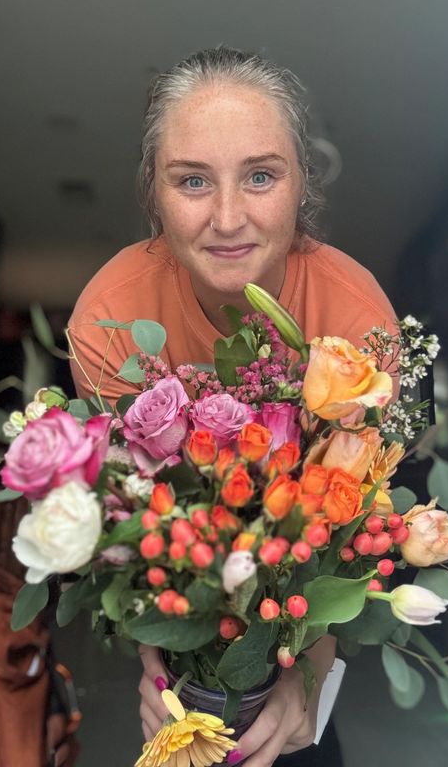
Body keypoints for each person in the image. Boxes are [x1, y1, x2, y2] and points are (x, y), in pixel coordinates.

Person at [68, 46, 398, 767]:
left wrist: (306, 679)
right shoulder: (108, 320)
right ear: (154, 193)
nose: (226, 218)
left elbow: (347, 533)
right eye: (192, 180)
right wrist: (157, 667)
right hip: (183, 596)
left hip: (295, 610)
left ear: (302, 182)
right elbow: (126, 529)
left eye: (260, 176)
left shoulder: (358, 324)